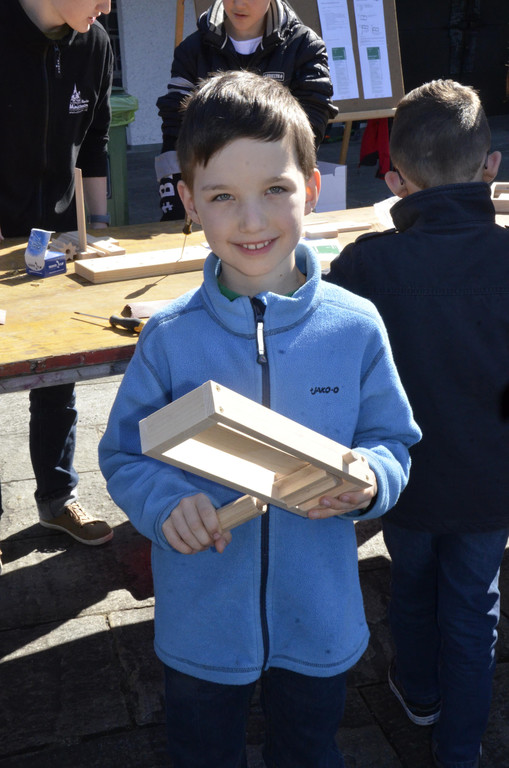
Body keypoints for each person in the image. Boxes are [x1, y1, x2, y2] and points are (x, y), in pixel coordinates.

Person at [99, 70, 421, 768]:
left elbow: (392, 439)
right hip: (202, 622)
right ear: (189, 202)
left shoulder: (355, 326)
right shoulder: (169, 337)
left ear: (312, 187)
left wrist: (371, 479)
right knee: (202, 753)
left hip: (319, 615)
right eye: (222, 197)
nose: (251, 221)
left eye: (275, 189)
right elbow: (125, 453)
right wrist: (165, 503)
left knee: (308, 750)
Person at [325, 79, 509, 768]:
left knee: (410, 582)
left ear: (394, 179)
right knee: (473, 608)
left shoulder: (366, 262)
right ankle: (459, 747)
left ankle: (419, 691)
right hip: (491, 482)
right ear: (491, 166)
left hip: (402, 477)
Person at [0, 0, 114, 550]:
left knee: (56, 377)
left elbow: (95, 141)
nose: (107, 7)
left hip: (58, 239)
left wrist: (98, 228)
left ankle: (56, 496)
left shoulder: (93, 41)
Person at [155, 0, 338, 221]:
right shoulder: (192, 50)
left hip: (276, 183)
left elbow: (312, 123)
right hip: (216, 189)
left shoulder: (304, 45)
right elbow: (175, 123)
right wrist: (175, 196)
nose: (239, 3)